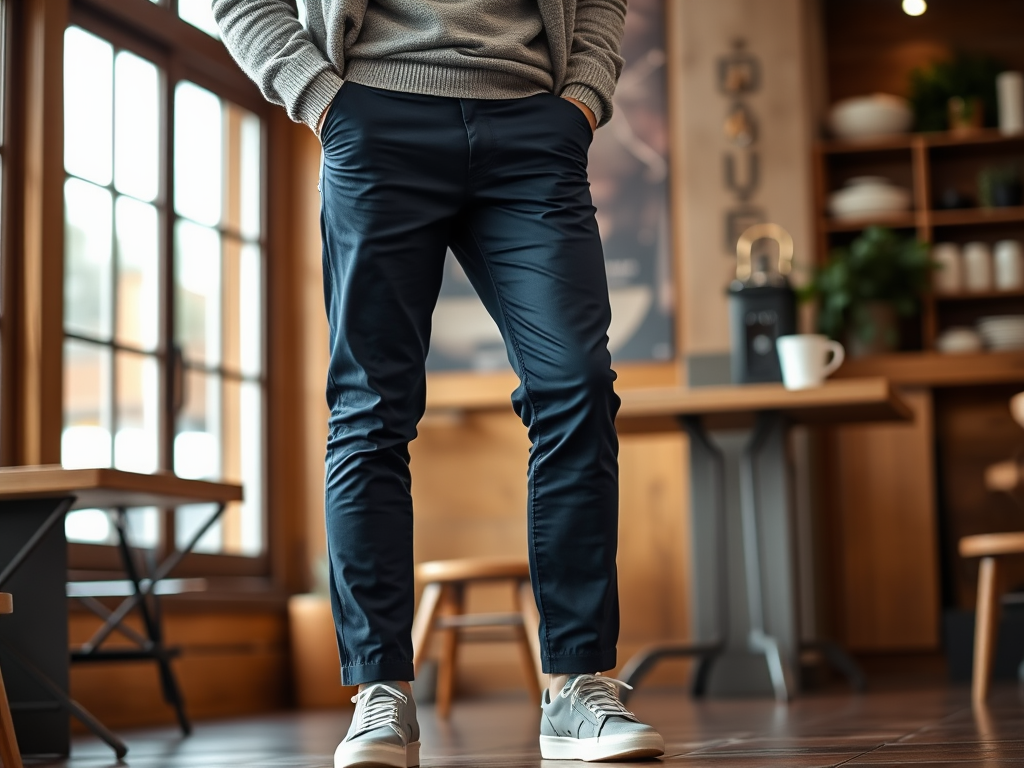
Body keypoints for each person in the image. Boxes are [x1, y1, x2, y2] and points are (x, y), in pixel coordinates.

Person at [212, 1, 665, 765]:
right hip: (372, 115)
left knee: (578, 388)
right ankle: (380, 691)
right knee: (370, 409)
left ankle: (577, 684)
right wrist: (320, 97)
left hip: (534, 125)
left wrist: (582, 98)